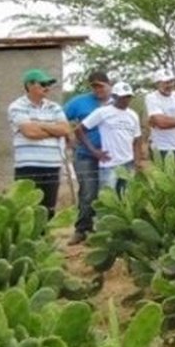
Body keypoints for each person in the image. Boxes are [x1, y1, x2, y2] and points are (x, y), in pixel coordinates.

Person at [8, 68, 70, 218]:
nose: (47, 88)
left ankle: (45, 241)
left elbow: (65, 129)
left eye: (48, 84)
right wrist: (52, 130)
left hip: (52, 165)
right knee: (27, 211)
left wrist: (39, 124)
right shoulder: (17, 106)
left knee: (48, 211)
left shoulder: (54, 106)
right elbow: (30, 133)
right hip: (28, 166)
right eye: (42, 84)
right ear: (29, 85)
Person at [63, 70, 111, 243]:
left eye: (101, 86)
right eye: (94, 87)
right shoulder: (79, 102)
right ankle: (82, 229)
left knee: (110, 193)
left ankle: (105, 230)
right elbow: (60, 118)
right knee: (88, 192)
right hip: (85, 155)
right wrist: (68, 136)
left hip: (111, 157)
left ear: (109, 84)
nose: (98, 90)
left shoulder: (117, 101)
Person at [75, 82, 142, 194]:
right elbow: (79, 130)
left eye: (128, 97)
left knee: (127, 200)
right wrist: (94, 151)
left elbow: (137, 139)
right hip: (109, 164)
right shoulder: (103, 112)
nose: (126, 100)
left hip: (128, 163)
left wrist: (137, 161)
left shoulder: (133, 115)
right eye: (123, 97)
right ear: (114, 96)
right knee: (107, 200)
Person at [145, 70, 175, 161]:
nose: (170, 85)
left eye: (171, 81)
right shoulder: (151, 97)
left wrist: (166, 120)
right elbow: (161, 123)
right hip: (161, 148)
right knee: (162, 175)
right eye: (166, 83)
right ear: (157, 84)